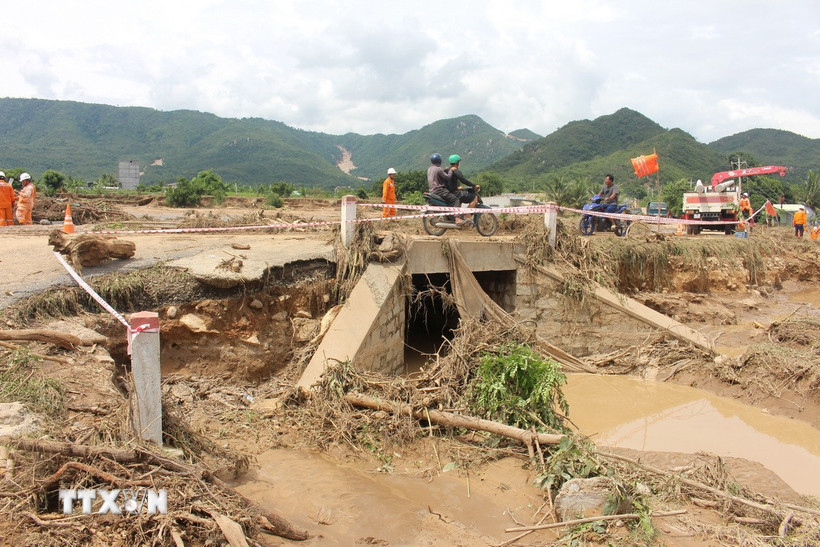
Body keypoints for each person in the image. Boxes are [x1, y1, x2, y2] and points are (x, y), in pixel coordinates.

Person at [427, 153, 463, 223]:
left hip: (432, 191)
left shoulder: (429, 169)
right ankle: (457, 218)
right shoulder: (438, 169)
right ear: (440, 161)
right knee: (456, 200)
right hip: (440, 190)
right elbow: (447, 177)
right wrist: (451, 170)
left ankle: (449, 216)